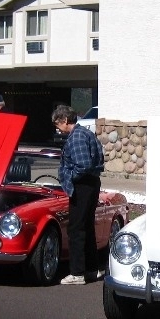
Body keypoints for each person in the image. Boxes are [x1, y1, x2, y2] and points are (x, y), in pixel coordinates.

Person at [52, 104, 105, 284]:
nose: (58, 128)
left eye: (57, 124)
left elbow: (83, 165)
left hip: (82, 185)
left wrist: (69, 177)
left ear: (65, 120)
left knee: (75, 229)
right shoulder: (86, 133)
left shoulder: (76, 137)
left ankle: (77, 273)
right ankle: (92, 269)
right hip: (91, 184)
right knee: (87, 227)